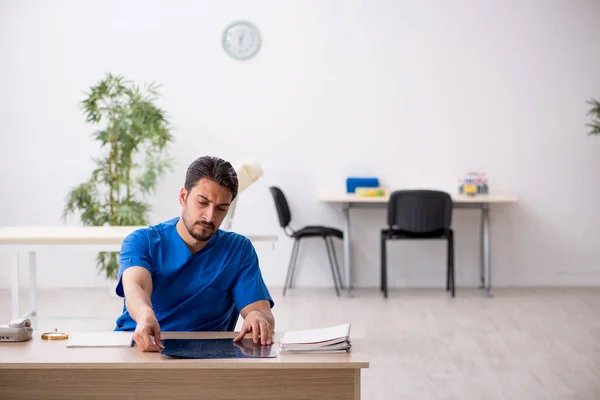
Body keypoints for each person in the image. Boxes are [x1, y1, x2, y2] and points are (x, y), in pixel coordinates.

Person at [113, 156, 275, 352]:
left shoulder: (238, 250)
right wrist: (144, 314)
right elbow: (135, 285)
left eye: (221, 208)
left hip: (205, 356)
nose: (210, 216)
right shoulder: (143, 241)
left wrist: (257, 317)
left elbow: (261, 311)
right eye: (202, 202)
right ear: (183, 197)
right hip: (140, 345)